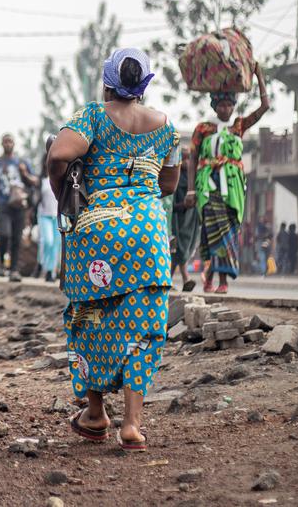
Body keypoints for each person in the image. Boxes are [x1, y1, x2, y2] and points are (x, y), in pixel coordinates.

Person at [48, 48, 180, 452]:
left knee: (90, 317)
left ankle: (95, 413)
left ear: (108, 82)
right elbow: (171, 183)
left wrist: (63, 193)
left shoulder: (92, 115)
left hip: (98, 232)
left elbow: (58, 154)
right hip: (149, 233)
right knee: (142, 327)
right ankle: (133, 425)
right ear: (143, 86)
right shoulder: (167, 127)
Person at [185, 63, 269, 293]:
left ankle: (215, 277)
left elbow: (265, 106)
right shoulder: (203, 129)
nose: (226, 109)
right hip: (208, 188)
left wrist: (259, 76)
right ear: (214, 106)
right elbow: (192, 159)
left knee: (229, 234)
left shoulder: (239, 126)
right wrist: (191, 190)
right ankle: (217, 280)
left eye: (229, 104)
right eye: (221, 104)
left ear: (234, 106)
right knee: (212, 233)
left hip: (232, 190)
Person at [0, 133, 38, 281]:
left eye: (10, 141)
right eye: (6, 141)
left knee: (17, 238)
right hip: (3, 204)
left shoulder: (22, 162)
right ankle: (2, 264)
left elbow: (35, 181)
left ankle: (14, 270)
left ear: (14, 144)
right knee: (5, 234)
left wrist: (24, 172)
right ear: (1, 144)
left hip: (20, 205)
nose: (8, 144)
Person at [170, 147, 201, 291]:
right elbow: (170, 203)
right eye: (184, 158)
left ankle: (172, 281)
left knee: (182, 250)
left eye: (189, 158)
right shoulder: (173, 177)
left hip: (190, 221)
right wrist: (182, 205)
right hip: (176, 221)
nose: (187, 162)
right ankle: (185, 278)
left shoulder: (194, 179)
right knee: (177, 249)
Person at [36, 147, 62, 284]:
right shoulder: (41, 180)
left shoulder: (60, 176)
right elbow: (36, 198)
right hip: (44, 215)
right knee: (47, 241)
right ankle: (43, 265)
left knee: (56, 244)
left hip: (57, 215)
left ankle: (51, 272)